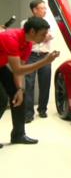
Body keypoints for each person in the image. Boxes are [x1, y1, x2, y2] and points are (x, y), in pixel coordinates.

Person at [0, 17, 59, 147]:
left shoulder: (28, 44)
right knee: (1, 100)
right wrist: (44, 61)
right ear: (32, 31)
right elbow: (17, 68)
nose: (45, 37)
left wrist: (20, 90)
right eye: (43, 34)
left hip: (0, 66)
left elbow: (19, 71)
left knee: (20, 95)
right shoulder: (11, 38)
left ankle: (18, 135)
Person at [24, 0, 53, 123]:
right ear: (35, 10)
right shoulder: (25, 23)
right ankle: (28, 114)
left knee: (45, 83)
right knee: (29, 84)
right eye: (42, 8)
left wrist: (35, 38)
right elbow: (26, 40)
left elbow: (50, 36)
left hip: (45, 56)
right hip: (30, 56)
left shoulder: (48, 23)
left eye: (45, 8)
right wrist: (41, 38)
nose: (45, 10)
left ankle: (42, 110)